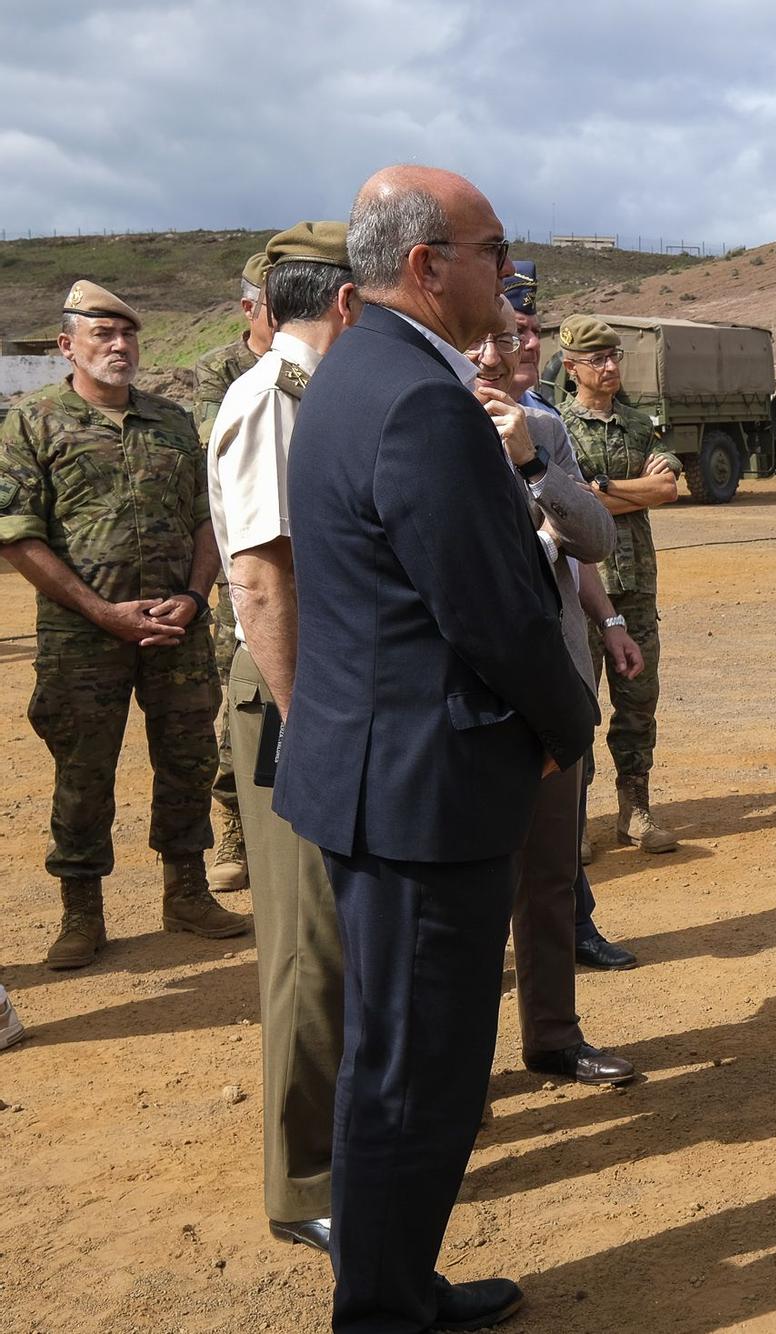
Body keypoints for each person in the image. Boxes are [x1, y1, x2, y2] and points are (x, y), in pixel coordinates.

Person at [277, 165, 595, 1334]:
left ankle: (391, 1285)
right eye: (493, 249)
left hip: (382, 771)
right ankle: (382, 1308)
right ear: (426, 266)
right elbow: (491, 608)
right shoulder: (419, 399)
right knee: (417, 1069)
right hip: (419, 789)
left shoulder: (360, 370)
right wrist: (569, 723)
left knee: (394, 1056)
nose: (507, 273)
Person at [0, 281, 250, 971]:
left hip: (177, 632)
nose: (119, 346)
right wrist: (100, 612)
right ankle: (81, 912)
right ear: (66, 345)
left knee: (189, 759)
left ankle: (188, 890)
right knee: (83, 770)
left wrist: (196, 599)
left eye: (128, 335)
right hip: (82, 638)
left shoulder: (170, 422)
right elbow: (19, 537)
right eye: (102, 334)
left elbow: (207, 519)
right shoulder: (31, 424)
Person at [208, 221, 360, 1257]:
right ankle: (303, 1179)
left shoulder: (316, 396)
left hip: (329, 686)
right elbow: (262, 574)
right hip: (292, 690)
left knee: (341, 935)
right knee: (307, 945)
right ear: (346, 303)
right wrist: (310, 722)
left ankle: (345, 1143)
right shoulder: (274, 395)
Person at [466, 302, 636, 1084]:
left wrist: (532, 459)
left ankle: (555, 1036)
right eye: (483, 338)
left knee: (550, 876)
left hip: (555, 682)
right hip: (466, 698)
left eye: (508, 338)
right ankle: (460, 1074)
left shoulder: (545, 428)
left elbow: (592, 540)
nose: (497, 354)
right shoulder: (422, 422)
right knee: (468, 893)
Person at [503, 269, 640, 969]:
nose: (525, 340)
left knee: (567, 796)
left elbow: (582, 541)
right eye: (512, 329)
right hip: (492, 658)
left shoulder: (548, 426)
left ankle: (573, 929)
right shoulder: (446, 416)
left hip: (557, 643)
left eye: (530, 329)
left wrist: (610, 621)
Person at [558, 316, 683, 858]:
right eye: (597, 359)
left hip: (637, 584)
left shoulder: (639, 425)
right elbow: (568, 503)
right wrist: (633, 492)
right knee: (581, 701)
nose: (610, 367)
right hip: (583, 588)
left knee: (637, 701)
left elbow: (668, 490)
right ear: (570, 367)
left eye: (615, 357)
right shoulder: (556, 427)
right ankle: (576, 817)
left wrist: (604, 489)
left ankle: (635, 809)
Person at [193, 247, 276, 895]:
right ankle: (233, 826)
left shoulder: (321, 365)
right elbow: (223, 453)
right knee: (239, 697)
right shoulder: (220, 372)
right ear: (249, 307)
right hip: (244, 563)